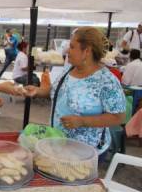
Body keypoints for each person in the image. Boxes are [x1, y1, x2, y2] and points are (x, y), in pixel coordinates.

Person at [23, 26, 126, 155]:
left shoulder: (106, 81)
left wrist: (82, 121)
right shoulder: (69, 70)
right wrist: (38, 91)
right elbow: (56, 90)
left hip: (86, 152)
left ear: (86, 51)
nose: (67, 51)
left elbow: (119, 117)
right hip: (57, 143)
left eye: (72, 47)